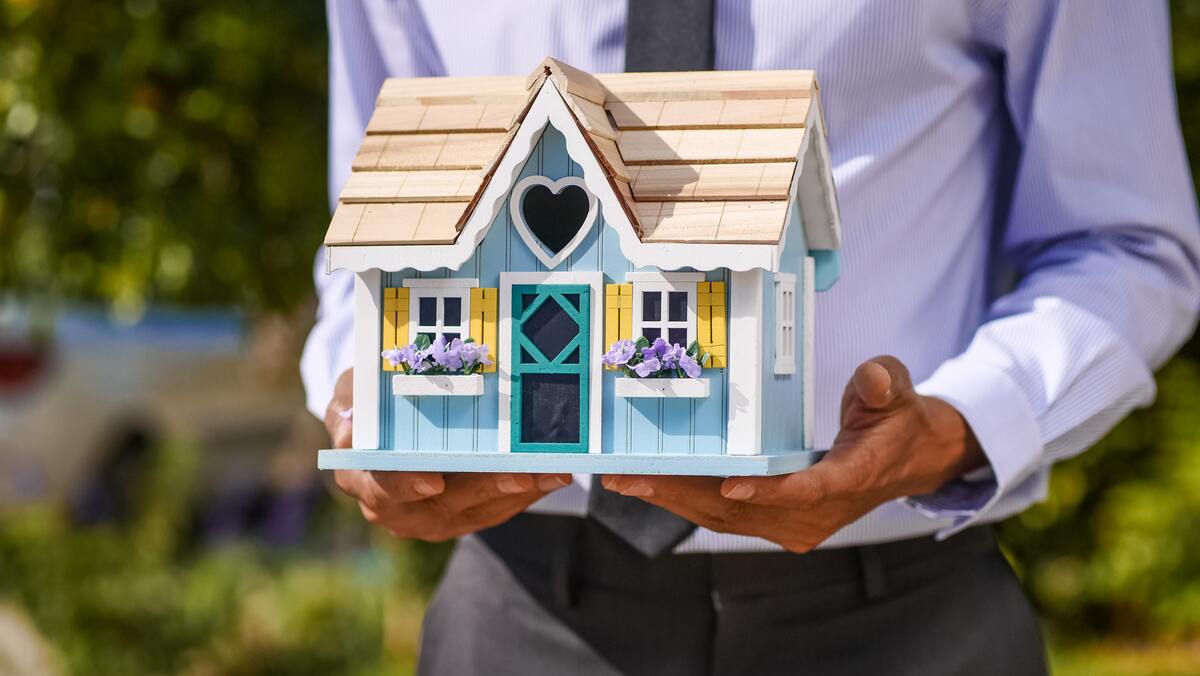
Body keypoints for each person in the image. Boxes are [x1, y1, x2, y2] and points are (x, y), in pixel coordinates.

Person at [302, 2, 1200, 674]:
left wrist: (961, 426)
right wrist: (366, 401)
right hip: (520, 615)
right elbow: (379, 229)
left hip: (906, 622)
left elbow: (1126, 245)